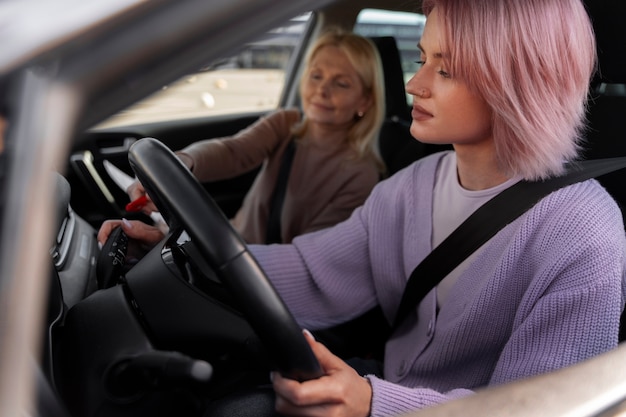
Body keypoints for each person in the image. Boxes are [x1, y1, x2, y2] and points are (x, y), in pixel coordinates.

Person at [99, 0, 626, 416]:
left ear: (517, 84)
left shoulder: (583, 235)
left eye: (448, 70)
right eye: (424, 58)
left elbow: (540, 411)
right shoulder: (410, 187)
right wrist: (182, 252)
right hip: (381, 386)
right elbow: (311, 271)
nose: (414, 84)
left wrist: (375, 404)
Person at [122, 28, 386, 244]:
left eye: (341, 83)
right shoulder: (287, 123)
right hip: (229, 245)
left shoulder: (361, 176)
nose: (322, 90)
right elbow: (233, 151)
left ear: (365, 101)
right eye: (316, 76)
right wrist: (180, 163)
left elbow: (308, 255)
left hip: (258, 277)